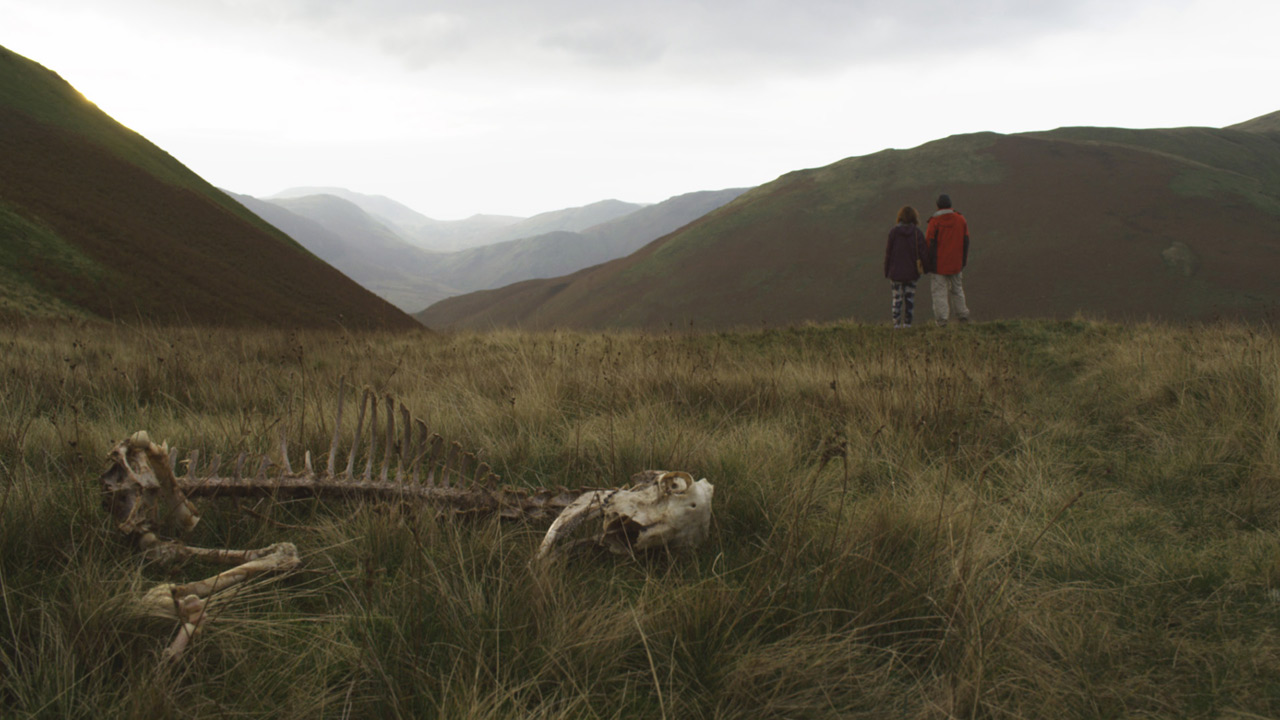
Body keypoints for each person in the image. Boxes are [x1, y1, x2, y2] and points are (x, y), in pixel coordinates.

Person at [925, 194, 971, 326]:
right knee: (957, 289)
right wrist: (963, 261)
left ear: (937, 206)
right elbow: (966, 241)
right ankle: (963, 316)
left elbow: (929, 243)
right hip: (956, 263)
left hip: (939, 265)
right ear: (950, 205)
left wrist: (928, 263)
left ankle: (942, 321)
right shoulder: (961, 219)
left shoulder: (934, 222)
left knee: (939, 292)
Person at [883, 205, 929, 328]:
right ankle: (907, 324)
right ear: (914, 218)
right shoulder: (917, 233)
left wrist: (887, 270)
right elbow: (923, 253)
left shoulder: (893, 232)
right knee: (910, 299)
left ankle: (896, 325)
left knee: (896, 299)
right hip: (912, 273)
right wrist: (926, 268)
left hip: (895, 272)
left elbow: (888, 253)